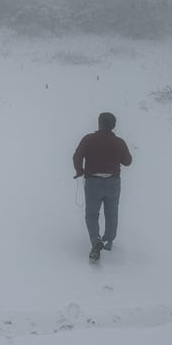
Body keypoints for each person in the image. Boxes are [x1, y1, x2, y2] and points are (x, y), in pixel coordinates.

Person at [72, 112, 133, 261]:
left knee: (92, 214)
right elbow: (127, 161)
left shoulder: (89, 139)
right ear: (114, 126)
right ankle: (108, 241)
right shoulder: (119, 142)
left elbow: (77, 156)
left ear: (99, 123)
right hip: (113, 182)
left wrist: (80, 171)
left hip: (93, 182)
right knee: (112, 213)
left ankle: (95, 241)